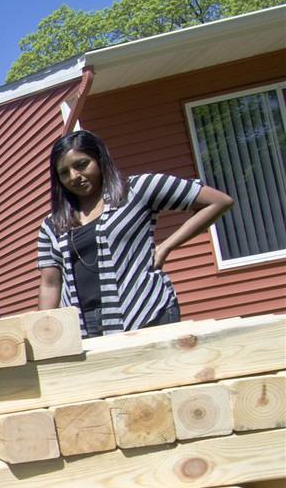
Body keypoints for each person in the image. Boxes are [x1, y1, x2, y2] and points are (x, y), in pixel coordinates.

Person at [35, 129, 233, 337]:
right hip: (85, 327)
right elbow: (50, 284)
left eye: (82, 164)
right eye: (64, 172)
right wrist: (44, 333)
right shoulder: (53, 224)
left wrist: (166, 246)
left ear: (100, 159)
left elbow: (218, 202)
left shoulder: (138, 190)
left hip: (145, 312)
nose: (75, 176)